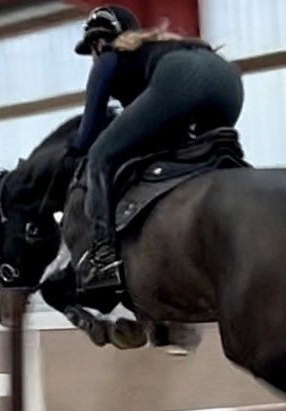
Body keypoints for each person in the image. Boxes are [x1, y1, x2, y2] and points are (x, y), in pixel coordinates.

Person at [67, 5, 245, 296]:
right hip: (228, 80)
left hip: (183, 78)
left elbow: (88, 135)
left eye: (92, 50)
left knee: (99, 155)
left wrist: (73, 148)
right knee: (206, 150)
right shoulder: (158, 48)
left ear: (99, 43)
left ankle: (103, 256)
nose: (93, 57)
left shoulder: (109, 58)